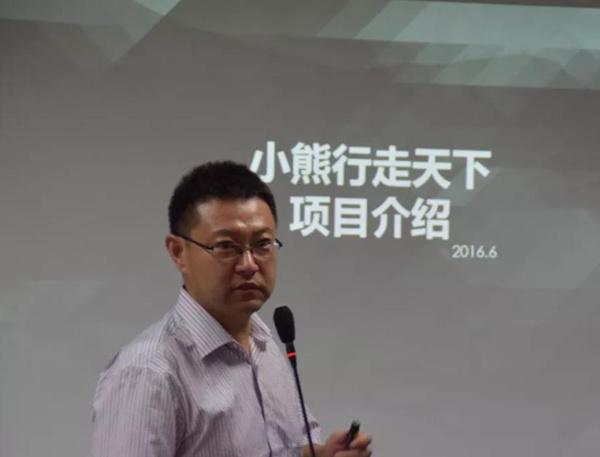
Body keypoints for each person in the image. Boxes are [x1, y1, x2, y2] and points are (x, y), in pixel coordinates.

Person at [92, 161, 372, 457]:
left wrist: (317, 454)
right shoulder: (146, 373)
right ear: (178, 252)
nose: (249, 264)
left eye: (263, 244)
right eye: (227, 246)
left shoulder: (264, 344)